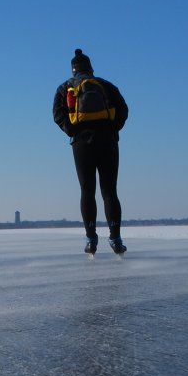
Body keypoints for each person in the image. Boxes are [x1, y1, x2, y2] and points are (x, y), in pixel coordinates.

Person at [53, 49, 129, 255]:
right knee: (109, 191)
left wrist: (72, 130)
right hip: (108, 141)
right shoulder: (106, 85)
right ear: (90, 68)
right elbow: (123, 109)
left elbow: (57, 114)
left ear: (73, 69)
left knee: (87, 191)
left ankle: (91, 240)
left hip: (81, 143)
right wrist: (112, 129)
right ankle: (115, 238)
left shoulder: (65, 87)